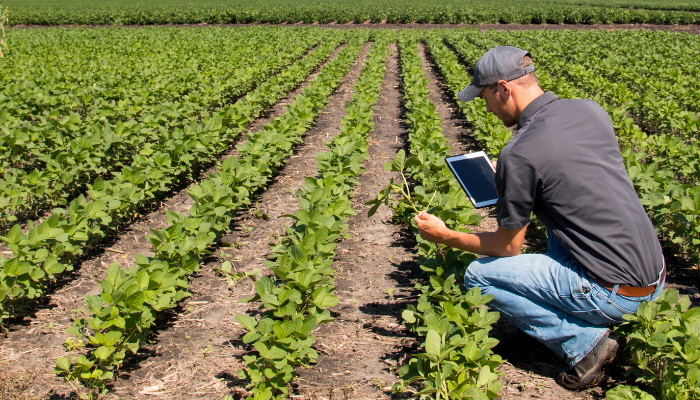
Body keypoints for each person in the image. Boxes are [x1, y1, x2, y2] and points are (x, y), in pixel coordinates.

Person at [413, 46, 666, 391]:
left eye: (486, 95)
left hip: (615, 294)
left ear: (504, 88)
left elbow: (508, 247)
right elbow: (571, 172)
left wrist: (445, 236)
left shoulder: (520, 153)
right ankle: (592, 306)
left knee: (479, 276)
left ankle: (583, 345)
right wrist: (516, 180)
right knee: (557, 225)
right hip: (654, 276)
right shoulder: (589, 111)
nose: (486, 107)